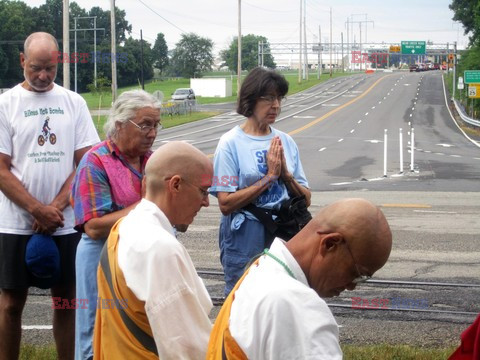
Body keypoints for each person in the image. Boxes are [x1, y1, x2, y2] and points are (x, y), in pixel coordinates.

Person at [0, 32, 99, 360]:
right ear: (22, 61)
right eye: (36, 68)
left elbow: (86, 162)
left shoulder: (74, 103)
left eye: (50, 69)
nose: (43, 76)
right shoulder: (6, 104)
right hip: (15, 222)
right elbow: (0, 169)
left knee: (66, 301)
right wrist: (35, 209)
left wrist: (54, 208)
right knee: (12, 303)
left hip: (64, 221)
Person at [207, 198, 393, 360]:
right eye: (357, 273)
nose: (352, 286)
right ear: (329, 244)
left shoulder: (260, 269)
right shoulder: (297, 307)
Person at [93, 141, 213, 359]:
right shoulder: (160, 248)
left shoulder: (123, 228)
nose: (206, 203)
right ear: (175, 185)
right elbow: (186, 347)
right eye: (203, 191)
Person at [70, 89, 161, 360]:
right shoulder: (96, 161)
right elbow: (94, 227)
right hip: (101, 258)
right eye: (145, 124)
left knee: (140, 328)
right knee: (94, 332)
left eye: (156, 124)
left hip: (142, 256)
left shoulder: (153, 161)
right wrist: (148, 204)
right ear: (120, 123)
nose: (152, 132)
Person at [209, 66, 311, 296]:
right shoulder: (230, 144)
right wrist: (269, 178)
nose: (276, 105)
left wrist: (286, 177)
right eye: (268, 98)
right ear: (251, 100)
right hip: (246, 235)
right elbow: (225, 204)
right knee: (242, 297)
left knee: (283, 297)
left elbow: (306, 199)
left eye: (279, 98)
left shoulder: (286, 141)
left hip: (283, 233)